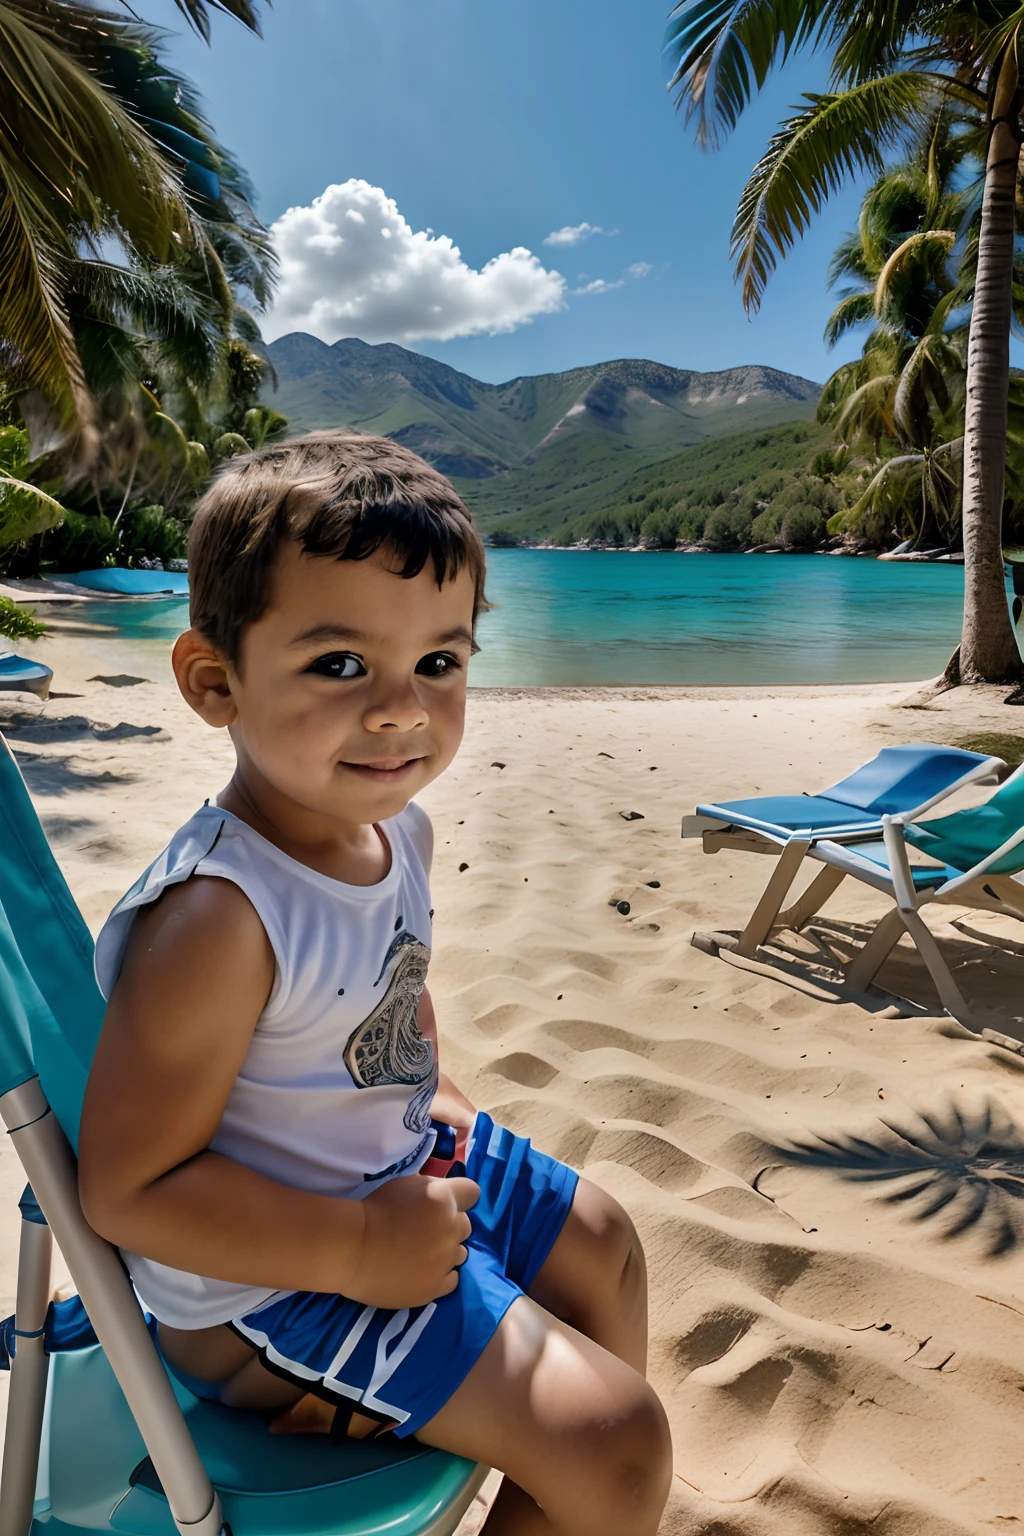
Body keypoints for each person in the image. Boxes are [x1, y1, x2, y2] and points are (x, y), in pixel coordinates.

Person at [78, 432, 672, 1536]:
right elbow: (128, 1192)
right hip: (263, 1291)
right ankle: (582, 1473)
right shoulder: (220, 917)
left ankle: (562, 1488)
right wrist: (358, 1249)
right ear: (215, 682)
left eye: (439, 664)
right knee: (617, 1440)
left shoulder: (392, 829)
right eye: (341, 664)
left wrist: (431, 1091)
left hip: (384, 1165)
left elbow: (395, 987)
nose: (402, 710)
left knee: (606, 1244)